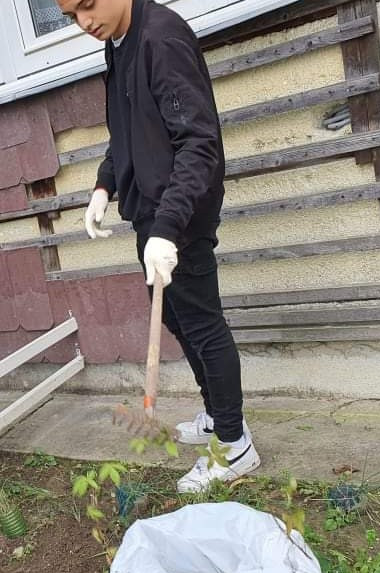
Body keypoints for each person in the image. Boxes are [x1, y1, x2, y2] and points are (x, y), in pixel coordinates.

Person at [58, 0, 260, 492]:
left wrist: (168, 228)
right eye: (71, 16)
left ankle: (235, 444)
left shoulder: (160, 40)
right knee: (177, 317)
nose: (84, 22)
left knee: (202, 323)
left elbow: (199, 143)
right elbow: (127, 133)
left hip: (179, 211)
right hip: (151, 210)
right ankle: (217, 416)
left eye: (87, 5)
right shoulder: (118, 43)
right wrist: (104, 185)